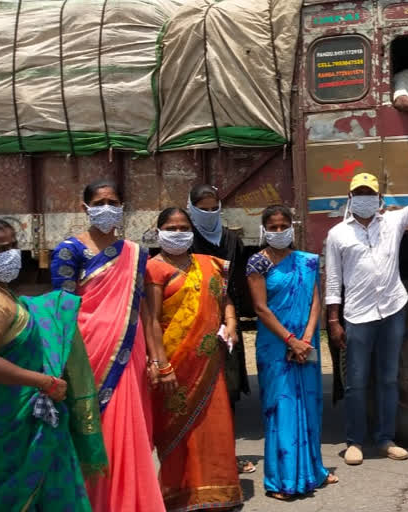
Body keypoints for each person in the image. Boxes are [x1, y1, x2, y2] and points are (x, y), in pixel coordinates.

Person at [326, 137, 408, 466]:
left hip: (392, 310)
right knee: (357, 382)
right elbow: (332, 280)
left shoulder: (394, 222)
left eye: (370, 194)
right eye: (359, 194)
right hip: (357, 315)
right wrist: (333, 320)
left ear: (379, 198)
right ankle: (354, 441)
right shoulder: (337, 234)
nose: (364, 199)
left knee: (388, 378)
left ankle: (385, 439)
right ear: (350, 198)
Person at [50, 180, 166, 512]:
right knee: (92, 428)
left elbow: (143, 307)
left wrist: (158, 359)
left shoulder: (135, 253)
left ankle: (132, 502)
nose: (107, 207)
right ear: (85, 207)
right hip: (86, 353)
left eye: (113, 201)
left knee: (129, 430)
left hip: (129, 352)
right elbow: (63, 310)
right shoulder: (69, 251)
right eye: (100, 201)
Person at [0, 217, 107, 511]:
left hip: (21, 416)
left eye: (14, 245)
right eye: (1, 249)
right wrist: (43, 381)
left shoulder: (3, 294)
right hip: (10, 424)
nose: (12, 254)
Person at [144, 207, 243, 511]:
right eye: (171, 227)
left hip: (208, 363)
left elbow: (225, 300)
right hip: (175, 363)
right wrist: (161, 364)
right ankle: (179, 494)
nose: (178, 233)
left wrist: (232, 324)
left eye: (183, 227)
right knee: (177, 429)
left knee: (213, 427)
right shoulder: (153, 269)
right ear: (158, 231)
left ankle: (217, 492)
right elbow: (151, 321)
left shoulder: (208, 264)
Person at [246, 205, 338, 500]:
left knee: (309, 407)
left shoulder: (307, 262)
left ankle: (313, 472)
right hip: (275, 346)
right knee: (281, 409)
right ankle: (282, 480)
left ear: (292, 226)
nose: (278, 231)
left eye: (282, 225)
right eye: (271, 227)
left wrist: (307, 338)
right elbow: (261, 308)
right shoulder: (257, 264)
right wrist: (290, 340)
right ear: (263, 229)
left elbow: (315, 301)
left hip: (306, 345)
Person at [187, 183, 256, 474]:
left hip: (225, 317)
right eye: (201, 208)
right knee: (196, 389)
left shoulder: (230, 239)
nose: (207, 213)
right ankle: (196, 459)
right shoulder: (184, 237)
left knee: (226, 391)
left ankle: (228, 456)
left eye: (213, 207)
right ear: (191, 208)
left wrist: (232, 320)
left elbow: (235, 283)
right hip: (193, 319)